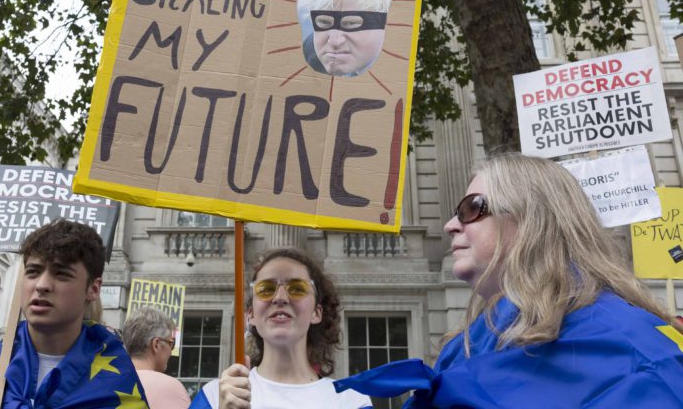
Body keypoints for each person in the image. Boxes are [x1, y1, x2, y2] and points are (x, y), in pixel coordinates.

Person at [335, 152, 683, 408]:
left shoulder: (632, 347)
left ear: (531, 218)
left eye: (471, 208)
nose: (450, 225)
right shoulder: (467, 344)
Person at [0, 219, 149, 408]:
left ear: (93, 289)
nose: (42, 285)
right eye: (33, 272)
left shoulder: (115, 387)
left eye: (61, 274)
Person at [190, 248, 371, 408]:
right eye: (266, 289)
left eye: (297, 288)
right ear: (251, 315)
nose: (280, 298)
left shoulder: (351, 401)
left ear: (316, 313)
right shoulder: (215, 397)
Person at [297, 0, 393, 77]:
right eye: (324, 22)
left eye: (351, 23)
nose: (334, 41)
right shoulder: (310, 54)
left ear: (384, 24)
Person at [123, 306, 191, 408]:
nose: (171, 352)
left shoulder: (105, 381)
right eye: (171, 343)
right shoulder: (170, 388)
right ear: (156, 345)